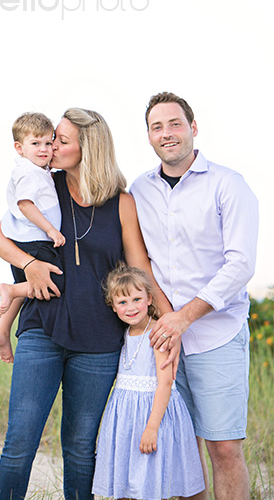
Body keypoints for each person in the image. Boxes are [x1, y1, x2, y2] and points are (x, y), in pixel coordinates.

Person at [0, 107, 174, 500]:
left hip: (100, 342)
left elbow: (140, 268)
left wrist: (171, 319)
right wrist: (31, 265)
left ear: (87, 148)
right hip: (43, 329)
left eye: (61, 139)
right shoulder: (41, 185)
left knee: (79, 449)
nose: (52, 145)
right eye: (52, 138)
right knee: (20, 443)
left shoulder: (122, 203)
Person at [130, 92, 258, 500]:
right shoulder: (140, 190)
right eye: (157, 127)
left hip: (217, 335)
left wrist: (185, 317)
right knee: (180, 452)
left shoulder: (228, 184)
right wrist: (168, 319)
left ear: (193, 128)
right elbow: (143, 261)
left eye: (174, 124)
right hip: (165, 338)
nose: (167, 133)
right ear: (149, 136)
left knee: (222, 447)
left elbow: (240, 265)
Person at [91, 264, 204, 499]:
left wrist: (152, 428)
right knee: (126, 481)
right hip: (126, 419)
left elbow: (164, 384)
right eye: (122, 302)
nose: (131, 307)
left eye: (136, 299)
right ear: (113, 306)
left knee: (150, 481)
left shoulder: (158, 333)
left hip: (153, 416)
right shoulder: (124, 333)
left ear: (149, 298)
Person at [0, 112, 65, 363]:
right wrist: (50, 230)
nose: (44, 149)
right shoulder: (27, 173)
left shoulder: (37, 169)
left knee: (28, 287)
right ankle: (9, 289)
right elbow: (25, 203)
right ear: (19, 148)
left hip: (28, 238)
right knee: (55, 282)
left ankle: (2, 331)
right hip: (35, 239)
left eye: (48, 142)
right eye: (36, 144)